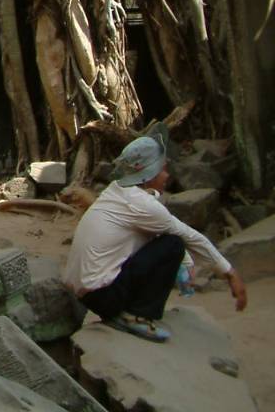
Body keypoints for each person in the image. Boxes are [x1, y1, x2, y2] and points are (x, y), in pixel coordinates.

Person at [64, 132, 248, 342]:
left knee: (168, 242)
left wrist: (186, 263)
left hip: (90, 293)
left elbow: (156, 232)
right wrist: (230, 272)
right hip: (104, 294)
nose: (167, 175)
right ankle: (136, 316)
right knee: (173, 245)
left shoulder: (117, 191)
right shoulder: (142, 205)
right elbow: (188, 236)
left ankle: (122, 312)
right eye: (162, 170)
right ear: (148, 175)